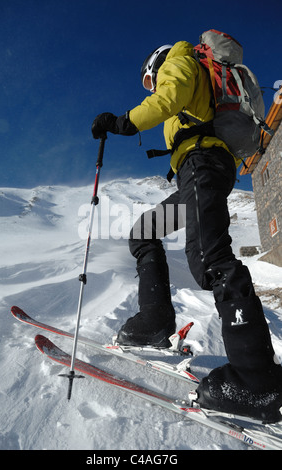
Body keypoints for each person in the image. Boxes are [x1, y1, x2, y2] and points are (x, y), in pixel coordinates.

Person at [91, 41, 282, 422]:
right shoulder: (196, 76)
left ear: (157, 62)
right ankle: (154, 322)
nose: (151, 85)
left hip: (203, 164)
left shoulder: (179, 61)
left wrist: (121, 122)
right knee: (144, 232)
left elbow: (168, 97)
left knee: (211, 258)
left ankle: (257, 379)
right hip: (200, 170)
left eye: (150, 78)